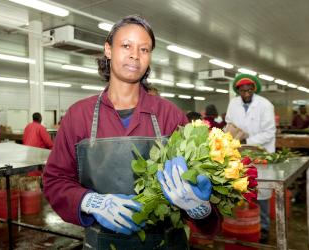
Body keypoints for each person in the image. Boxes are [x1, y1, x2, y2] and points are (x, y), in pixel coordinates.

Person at [43, 15, 219, 249]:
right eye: (126, 45)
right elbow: (55, 180)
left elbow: (208, 211)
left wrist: (199, 207)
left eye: (144, 49)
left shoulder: (170, 116)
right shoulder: (79, 116)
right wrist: (91, 201)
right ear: (108, 50)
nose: (135, 55)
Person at [225, 73, 276, 243]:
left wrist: (247, 140)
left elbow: (269, 132)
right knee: (240, 188)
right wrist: (231, 134)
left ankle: (265, 228)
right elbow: (228, 122)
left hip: (261, 152)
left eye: (249, 90)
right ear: (238, 90)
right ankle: (241, 224)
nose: (246, 93)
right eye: (242, 90)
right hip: (240, 153)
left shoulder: (265, 105)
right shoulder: (233, 103)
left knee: (261, 190)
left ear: (254, 89)